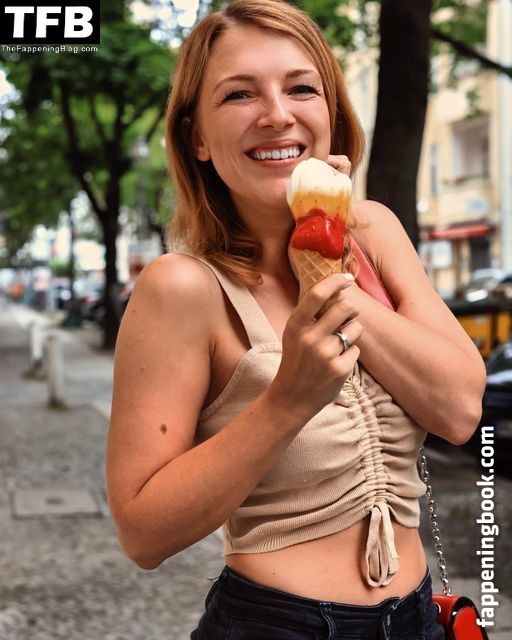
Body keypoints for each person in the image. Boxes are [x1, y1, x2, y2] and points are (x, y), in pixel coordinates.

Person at [105, 1, 486, 637]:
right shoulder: (182, 287)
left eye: (302, 88)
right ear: (197, 137)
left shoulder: (375, 233)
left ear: (331, 115)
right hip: (279, 625)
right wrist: (287, 400)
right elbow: (143, 534)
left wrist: (329, 270)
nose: (277, 114)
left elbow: (460, 410)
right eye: (239, 94)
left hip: (417, 617)